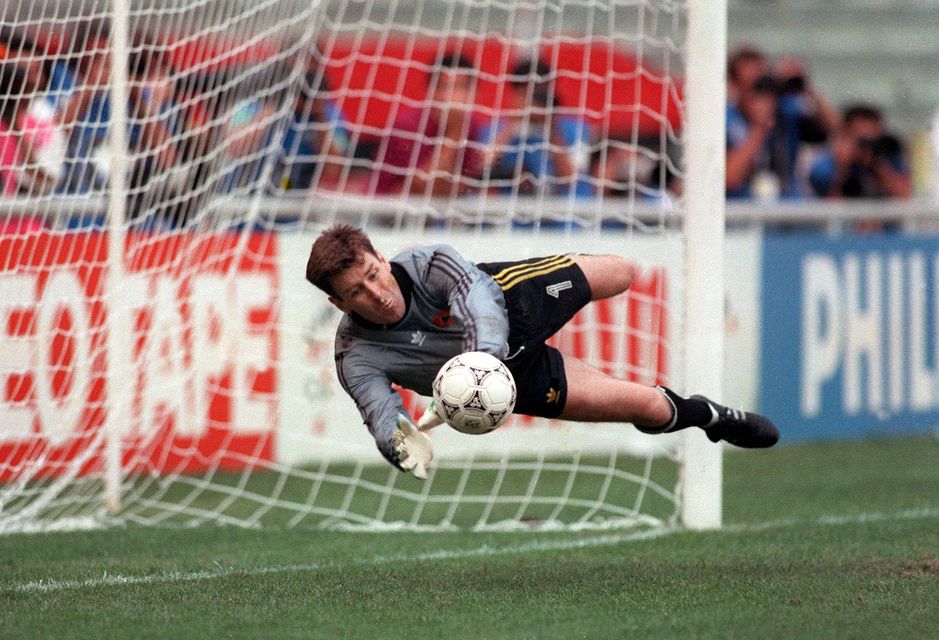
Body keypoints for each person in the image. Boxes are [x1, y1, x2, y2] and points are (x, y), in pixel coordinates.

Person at [305, 225, 779, 478]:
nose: (377, 293)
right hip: (513, 379)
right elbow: (379, 412)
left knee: (624, 272)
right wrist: (399, 445)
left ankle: (565, 268)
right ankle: (714, 418)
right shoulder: (356, 356)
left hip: (513, 301)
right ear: (338, 303)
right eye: (357, 292)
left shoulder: (431, 263)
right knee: (647, 405)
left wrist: (481, 361)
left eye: (373, 274)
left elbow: (475, 298)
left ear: (381, 258)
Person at [373, 52, 487, 197]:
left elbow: (462, 186)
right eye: (446, 87)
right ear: (432, 91)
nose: (452, 96)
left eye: (460, 87)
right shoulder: (407, 126)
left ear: (475, 93)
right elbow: (420, 187)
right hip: (384, 209)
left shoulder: (473, 126)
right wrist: (454, 134)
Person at [481, 57, 595, 200]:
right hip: (512, 214)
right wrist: (514, 123)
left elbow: (571, 178)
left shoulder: (575, 129)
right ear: (514, 94)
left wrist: (551, 127)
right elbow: (483, 166)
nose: (532, 101)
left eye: (537, 93)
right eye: (525, 93)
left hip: (562, 213)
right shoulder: (495, 129)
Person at [808, 102, 912, 201]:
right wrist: (842, 166)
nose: (866, 144)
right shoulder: (826, 163)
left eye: (872, 138)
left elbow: (904, 195)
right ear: (846, 134)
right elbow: (829, 206)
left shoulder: (888, 154)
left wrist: (876, 165)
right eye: (861, 139)